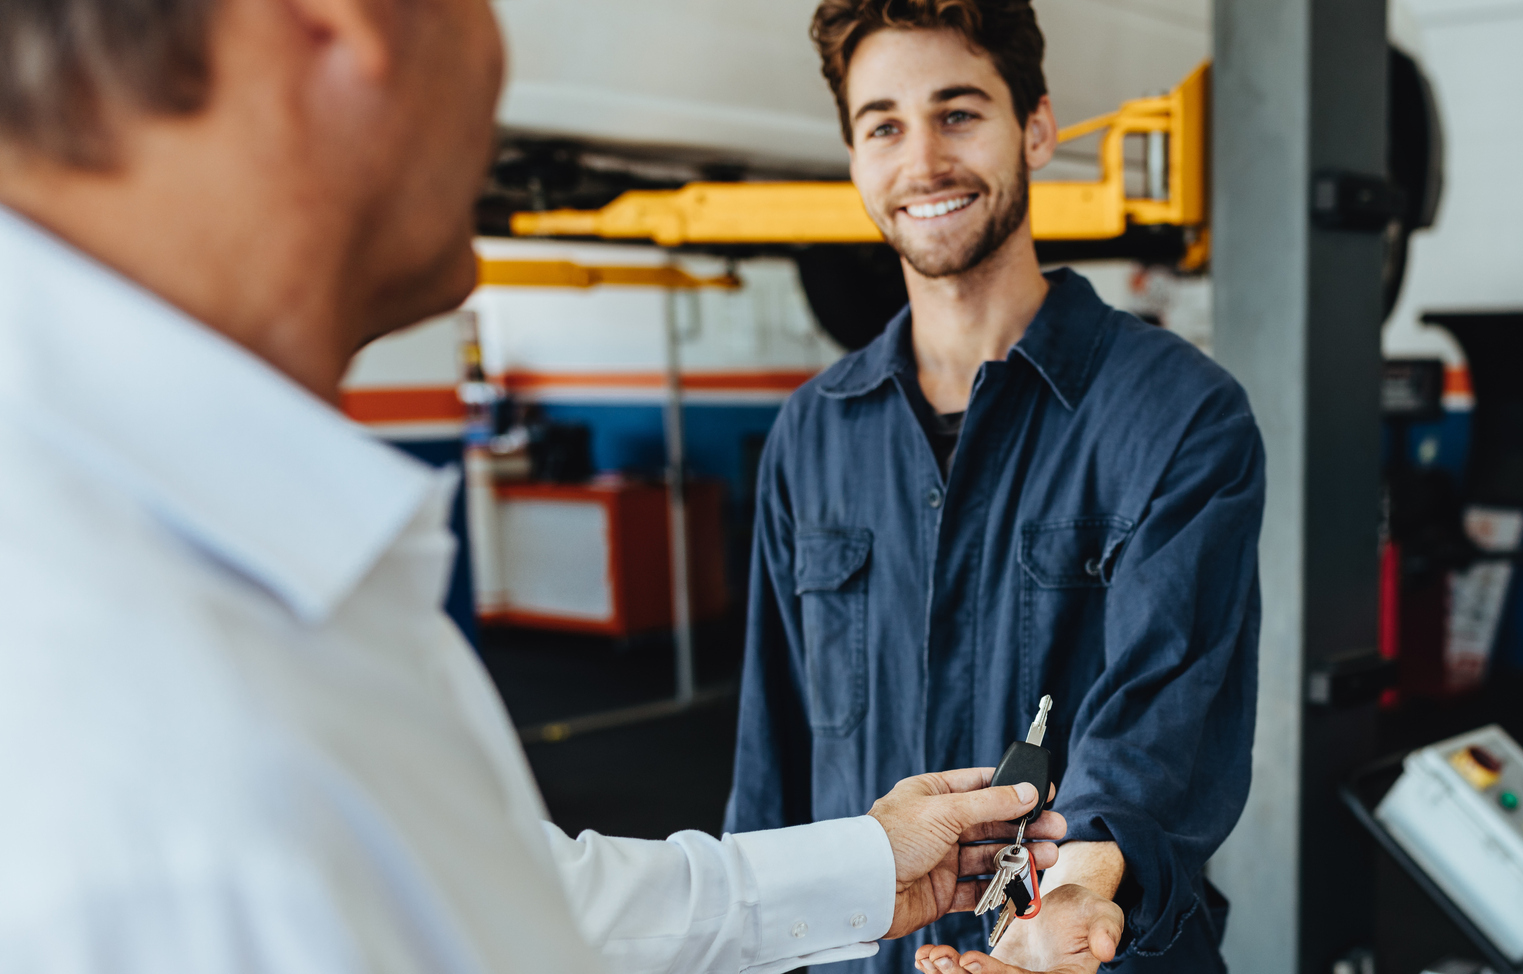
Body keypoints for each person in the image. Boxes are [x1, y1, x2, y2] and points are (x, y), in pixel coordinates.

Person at [0, 1, 1067, 971]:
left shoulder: (186, 576)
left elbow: (513, 900)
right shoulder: (149, 756)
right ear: (343, 19)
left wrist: (868, 864)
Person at [725, 2, 1265, 972]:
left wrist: (1072, 889)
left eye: (959, 112)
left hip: (1078, 952)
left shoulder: (1179, 414)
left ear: (1038, 129)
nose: (922, 159)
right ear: (854, 157)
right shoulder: (812, 431)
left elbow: (1162, 717)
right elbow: (772, 759)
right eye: (884, 124)